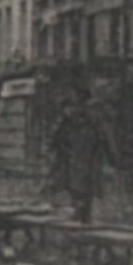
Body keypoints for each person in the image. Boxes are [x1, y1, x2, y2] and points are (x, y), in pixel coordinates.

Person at [50, 86, 119, 224]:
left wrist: (111, 158)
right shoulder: (79, 117)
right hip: (80, 155)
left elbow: (103, 136)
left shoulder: (85, 116)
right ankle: (81, 213)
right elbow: (59, 136)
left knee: (82, 185)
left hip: (84, 155)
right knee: (80, 186)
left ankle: (82, 214)